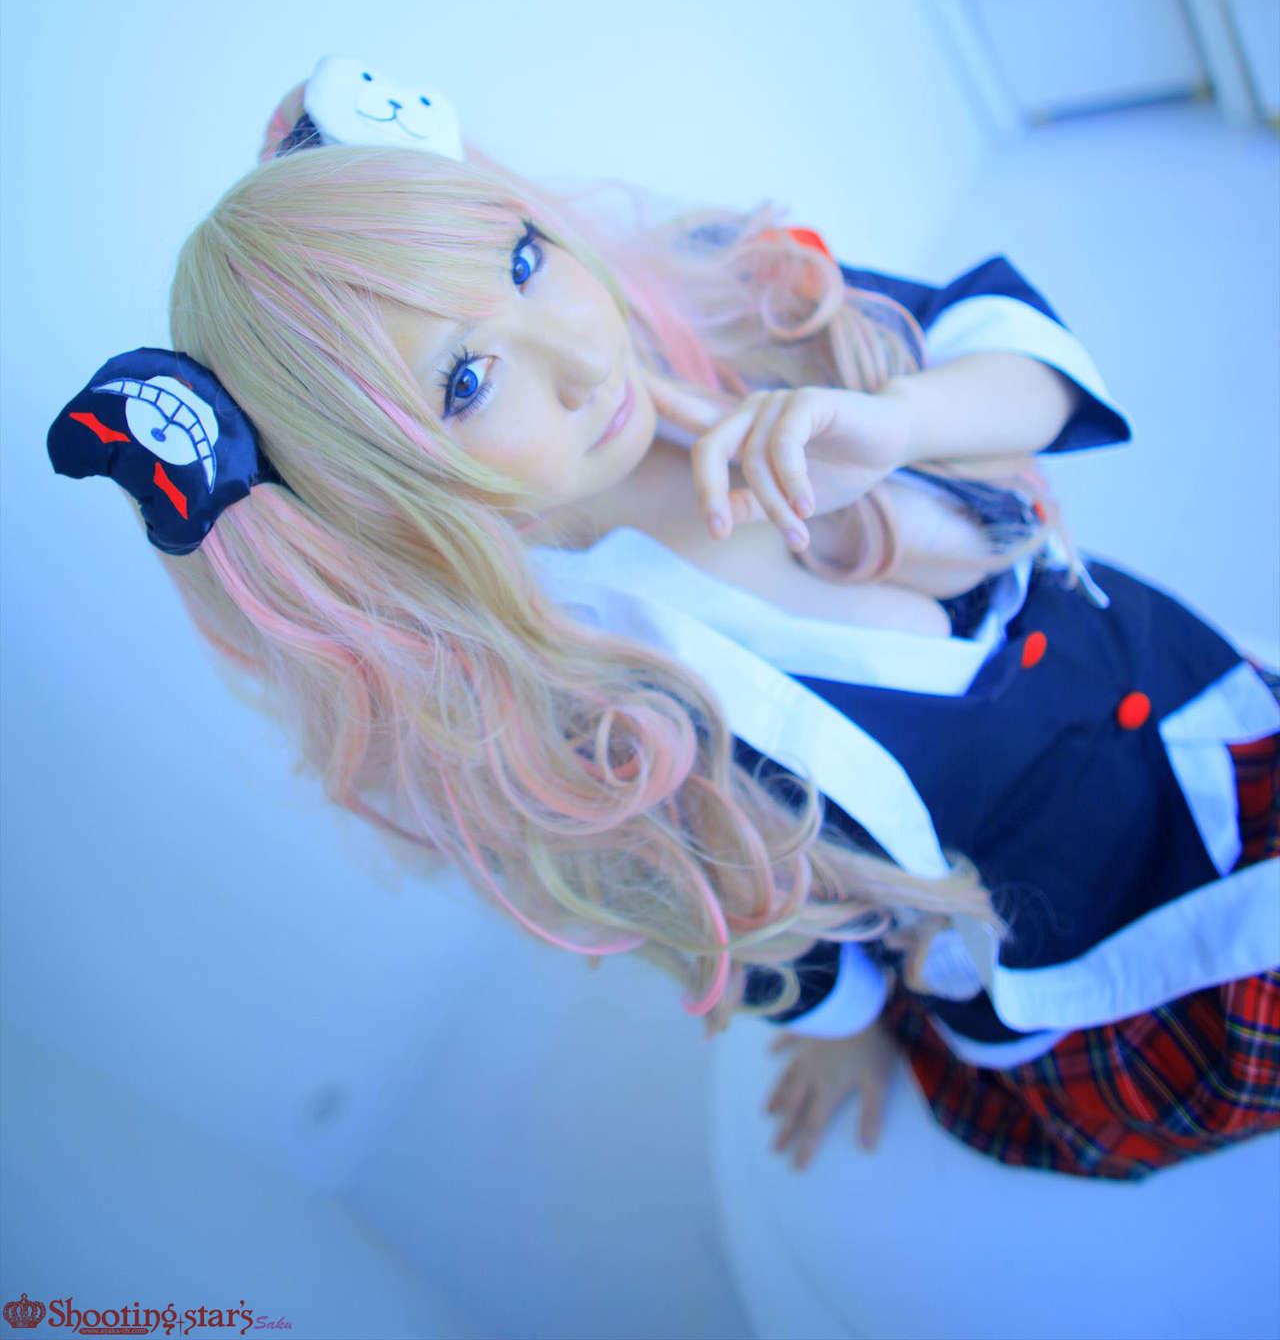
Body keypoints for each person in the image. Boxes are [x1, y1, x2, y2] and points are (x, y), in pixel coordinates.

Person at [48, 87, 1280, 1187]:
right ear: (372, 485)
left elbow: (1016, 354)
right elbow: (740, 918)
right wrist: (842, 1031)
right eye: (466, 381)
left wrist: (900, 420)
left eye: (524, 259)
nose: (584, 356)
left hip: (1199, 700)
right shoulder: (561, 704)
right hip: (1102, 964)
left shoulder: (735, 315)